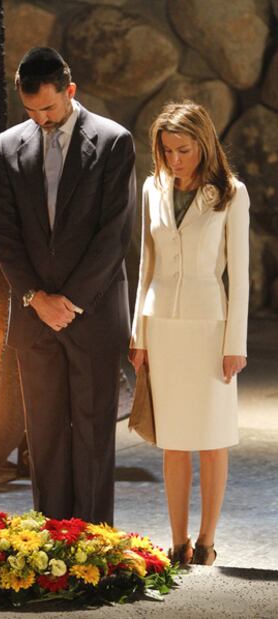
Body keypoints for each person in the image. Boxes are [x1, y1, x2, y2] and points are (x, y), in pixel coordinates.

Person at [0, 47, 136, 524]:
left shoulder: (114, 141)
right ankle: (49, 545)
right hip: (34, 317)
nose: (41, 120)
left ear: (70, 91)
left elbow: (114, 234)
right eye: (30, 111)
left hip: (91, 313)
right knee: (45, 436)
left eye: (48, 109)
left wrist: (67, 302)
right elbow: (2, 232)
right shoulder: (8, 145)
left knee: (94, 436)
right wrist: (35, 299)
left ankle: (94, 545)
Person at [130, 101, 249, 565]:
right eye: (167, 150)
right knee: (173, 440)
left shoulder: (231, 194)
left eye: (183, 149)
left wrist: (234, 344)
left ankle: (206, 542)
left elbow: (238, 278)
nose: (174, 159)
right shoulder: (151, 188)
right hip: (161, 326)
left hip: (209, 328)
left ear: (204, 144)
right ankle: (177, 543)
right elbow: (145, 265)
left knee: (213, 441)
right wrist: (137, 333)